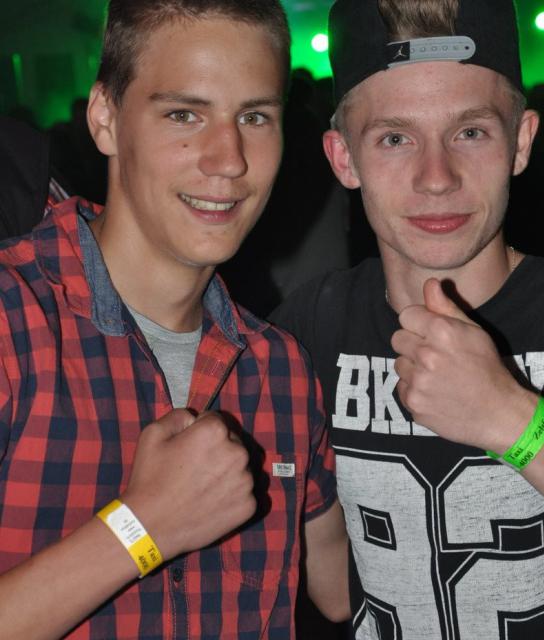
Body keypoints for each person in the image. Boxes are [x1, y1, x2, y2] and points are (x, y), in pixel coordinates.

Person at [270, 0, 544, 637]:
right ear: (343, 158)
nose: (436, 177)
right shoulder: (305, 331)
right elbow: (333, 592)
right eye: (395, 138)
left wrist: (511, 417)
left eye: (471, 132)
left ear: (521, 142)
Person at [0, 1, 349, 638]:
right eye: (184, 114)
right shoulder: (12, 323)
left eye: (255, 117)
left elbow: (344, 588)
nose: (229, 159)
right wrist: (143, 528)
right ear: (105, 119)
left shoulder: (280, 369)